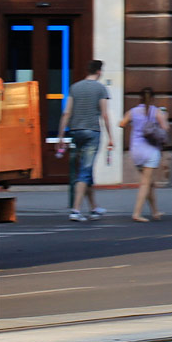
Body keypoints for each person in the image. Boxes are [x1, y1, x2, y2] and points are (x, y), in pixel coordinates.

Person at [55, 60, 113, 222]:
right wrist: (111, 138)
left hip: (76, 131)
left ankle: (94, 207)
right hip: (92, 132)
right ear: (99, 72)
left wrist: (60, 136)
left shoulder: (75, 87)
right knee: (85, 171)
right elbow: (105, 115)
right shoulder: (101, 89)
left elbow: (66, 112)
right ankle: (76, 210)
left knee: (86, 169)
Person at [120, 87, 167, 222]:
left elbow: (122, 124)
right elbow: (165, 128)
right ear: (152, 98)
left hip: (136, 151)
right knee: (145, 184)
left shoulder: (133, 112)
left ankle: (155, 212)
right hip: (151, 151)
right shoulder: (156, 112)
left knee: (150, 183)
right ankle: (137, 213)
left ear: (139, 98)